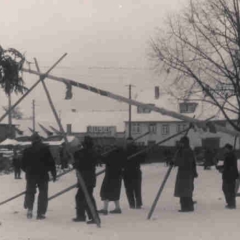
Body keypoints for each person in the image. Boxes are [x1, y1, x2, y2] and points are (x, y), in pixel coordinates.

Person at [21, 132, 56, 220]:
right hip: (42, 175)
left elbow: (22, 164)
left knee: (30, 192)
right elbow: (51, 163)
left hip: (31, 175)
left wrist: (28, 171)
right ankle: (40, 213)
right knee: (43, 193)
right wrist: (53, 173)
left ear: (32, 141)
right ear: (40, 140)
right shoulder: (45, 149)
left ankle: (29, 210)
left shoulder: (27, 150)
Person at [73, 136, 100, 224]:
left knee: (87, 198)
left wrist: (75, 163)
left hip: (85, 178)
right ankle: (82, 216)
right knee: (82, 197)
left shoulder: (83, 153)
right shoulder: (93, 152)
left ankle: (93, 217)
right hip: (89, 178)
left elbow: (80, 164)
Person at [98, 145, 124, 215]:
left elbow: (105, 160)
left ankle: (105, 209)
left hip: (110, 176)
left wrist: (99, 155)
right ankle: (117, 208)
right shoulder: (121, 156)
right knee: (115, 192)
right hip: (118, 176)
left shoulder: (112, 155)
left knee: (105, 191)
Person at [174, 136, 195, 212]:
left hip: (185, 173)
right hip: (185, 173)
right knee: (185, 190)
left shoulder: (187, 151)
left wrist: (175, 162)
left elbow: (184, 162)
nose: (180, 144)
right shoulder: (184, 150)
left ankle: (186, 207)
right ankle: (188, 207)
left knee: (184, 190)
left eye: (181, 143)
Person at [123, 138, 145, 209]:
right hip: (128, 172)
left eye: (130, 142)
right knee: (131, 189)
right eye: (128, 142)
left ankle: (136, 204)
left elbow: (142, 159)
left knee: (135, 189)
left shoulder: (136, 150)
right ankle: (133, 204)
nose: (129, 144)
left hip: (134, 172)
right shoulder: (125, 151)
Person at [216, 144, 239, 209]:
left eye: (225, 149)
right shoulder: (229, 155)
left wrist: (222, 169)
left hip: (230, 176)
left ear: (228, 149)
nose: (224, 150)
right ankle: (230, 203)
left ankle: (231, 204)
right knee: (227, 189)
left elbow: (230, 167)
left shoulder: (230, 156)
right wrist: (220, 167)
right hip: (229, 176)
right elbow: (227, 166)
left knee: (229, 190)